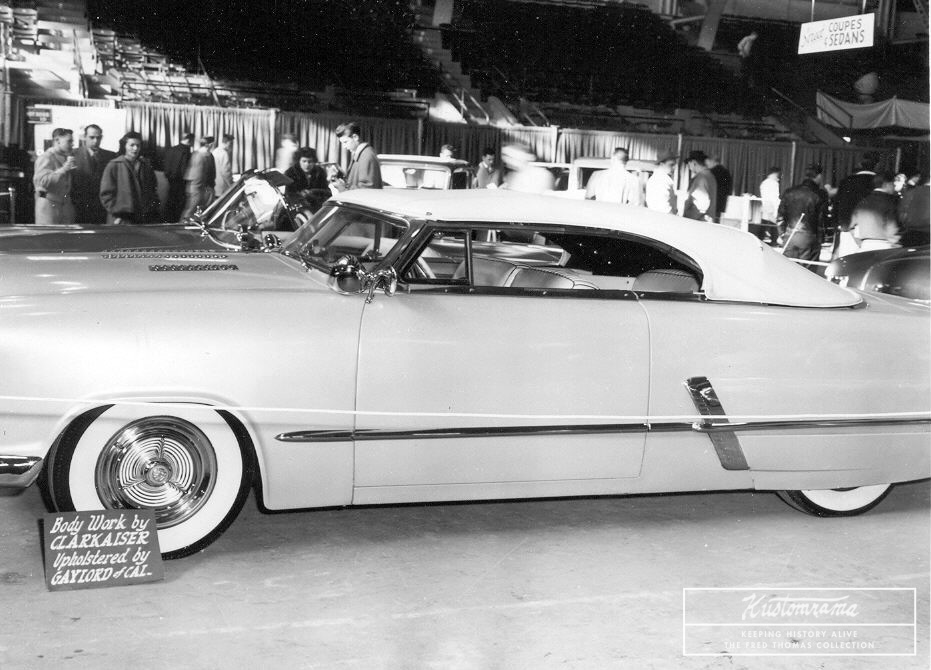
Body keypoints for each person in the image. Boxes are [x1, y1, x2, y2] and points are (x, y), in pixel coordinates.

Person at [99, 131, 160, 224]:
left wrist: (151, 209)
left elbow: (153, 190)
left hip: (143, 218)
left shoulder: (146, 166)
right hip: (120, 219)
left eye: (138, 145)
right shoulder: (114, 165)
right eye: (132, 145)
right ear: (124, 146)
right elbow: (106, 194)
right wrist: (117, 213)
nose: (135, 148)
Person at [777, 172, 826, 270]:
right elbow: (821, 221)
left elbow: (780, 216)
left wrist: (782, 233)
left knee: (787, 270)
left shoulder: (789, 192)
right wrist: (820, 240)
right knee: (807, 273)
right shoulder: (820, 194)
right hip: (809, 237)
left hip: (790, 235)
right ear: (818, 176)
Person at [71, 124, 115, 224]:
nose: (95, 141)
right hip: (79, 208)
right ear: (84, 137)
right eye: (92, 137)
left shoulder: (110, 156)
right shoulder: (73, 154)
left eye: (98, 138)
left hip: (101, 208)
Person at [33, 127, 77, 224]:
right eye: (69, 141)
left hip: (64, 206)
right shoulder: (46, 157)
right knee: (49, 237)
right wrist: (64, 169)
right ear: (57, 141)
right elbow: (42, 181)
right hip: (48, 206)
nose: (72, 144)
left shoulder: (65, 157)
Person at [849, 172, 901, 251]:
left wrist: (860, 243)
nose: (894, 186)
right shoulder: (891, 202)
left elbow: (852, 227)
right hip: (885, 246)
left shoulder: (862, 202)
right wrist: (896, 244)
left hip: (865, 245)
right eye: (893, 184)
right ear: (886, 184)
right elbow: (892, 227)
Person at [331, 121, 382, 191]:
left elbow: (366, 189)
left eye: (345, 142)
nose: (344, 147)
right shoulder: (360, 154)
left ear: (355, 137)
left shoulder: (366, 155)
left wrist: (342, 188)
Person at [834, 154, 878, 231]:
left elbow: (837, 205)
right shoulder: (879, 183)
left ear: (859, 165)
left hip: (848, 227)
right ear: (876, 166)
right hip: (873, 230)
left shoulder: (846, 182)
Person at [181, 136, 216, 219]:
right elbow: (200, 174)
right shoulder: (204, 155)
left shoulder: (196, 153)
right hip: (198, 188)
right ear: (210, 145)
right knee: (191, 210)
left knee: (191, 210)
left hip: (194, 187)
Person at [162, 132, 193, 222]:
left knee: (170, 201)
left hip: (170, 180)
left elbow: (166, 166)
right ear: (189, 140)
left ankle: (167, 221)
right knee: (179, 205)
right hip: (181, 181)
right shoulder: (186, 151)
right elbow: (184, 168)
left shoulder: (171, 149)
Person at [681, 150, 717, 222]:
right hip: (707, 219)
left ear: (694, 163)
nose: (689, 167)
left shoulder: (701, 178)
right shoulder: (710, 176)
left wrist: (688, 218)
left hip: (698, 222)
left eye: (689, 164)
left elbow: (701, 205)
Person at [757, 167, 781, 244]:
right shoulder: (773, 183)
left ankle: (760, 240)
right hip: (771, 206)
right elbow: (774, 197)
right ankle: (773, 241)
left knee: (764, 225)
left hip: (766, 205)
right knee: (772, 225)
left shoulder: (764, 183)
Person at [212, 133, 234, 198]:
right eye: (231, 143)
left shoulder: (215, 151)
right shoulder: (224, 153)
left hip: (215, 185)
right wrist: (231, 184)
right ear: (228, 143)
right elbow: (226, 172)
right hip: (222, 186)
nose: (231, 145)